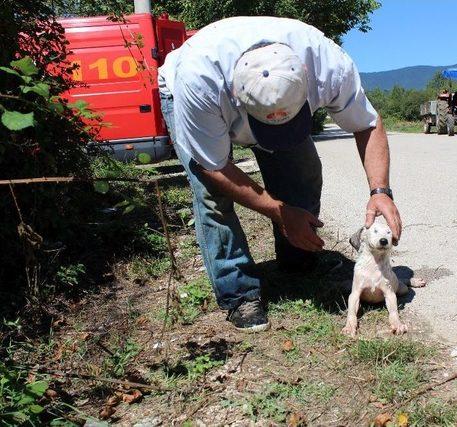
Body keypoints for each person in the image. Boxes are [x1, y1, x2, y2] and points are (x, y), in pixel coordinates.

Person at [158, 16, 402, 332]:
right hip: (184, 94)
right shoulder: (199, 83)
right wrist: (279, 212)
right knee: (212, 198)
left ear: (305, 80)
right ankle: (238, 292)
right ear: (235, 94)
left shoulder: (327, 65)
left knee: (303, 172)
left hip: (248, 92)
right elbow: (212, 168)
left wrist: (380, 191)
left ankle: (298, 259)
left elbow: (367, 124)